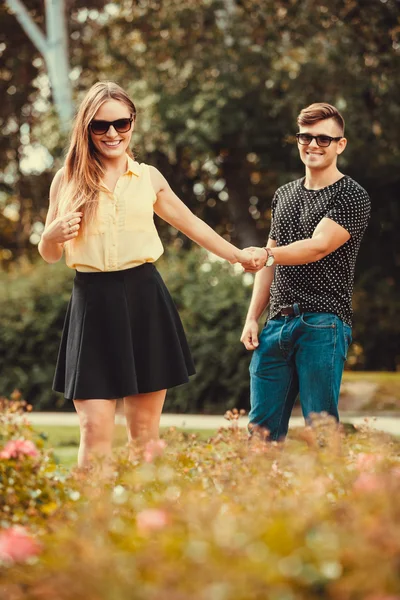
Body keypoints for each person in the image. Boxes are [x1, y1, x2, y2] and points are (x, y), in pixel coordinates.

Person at [39, 81, 266, 472]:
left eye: (121, 123)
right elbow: (49, 253)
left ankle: (140, 524)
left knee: (143, 433)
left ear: (133, 123)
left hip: (144, 299)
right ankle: (91, 524)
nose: (113, 133)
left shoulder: (149, 178)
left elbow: (191, 224)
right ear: (86, 128)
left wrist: (237, 256)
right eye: (101, 126)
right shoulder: (67, 179)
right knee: (93, 429)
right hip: (91, 304)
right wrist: (50, 236)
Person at [241, 102, 371, 441]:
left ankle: (331, 495)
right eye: (305, 137)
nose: (312, 145)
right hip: (276, 326)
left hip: (323, 324)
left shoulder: (352, 195)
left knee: (322, 431)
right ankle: (259, 494)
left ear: (340, 144)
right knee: (261, 433)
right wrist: (253, 316)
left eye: (323, 139)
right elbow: (272, 263)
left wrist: (267, 254)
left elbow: (317, 246)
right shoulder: (284, 194)